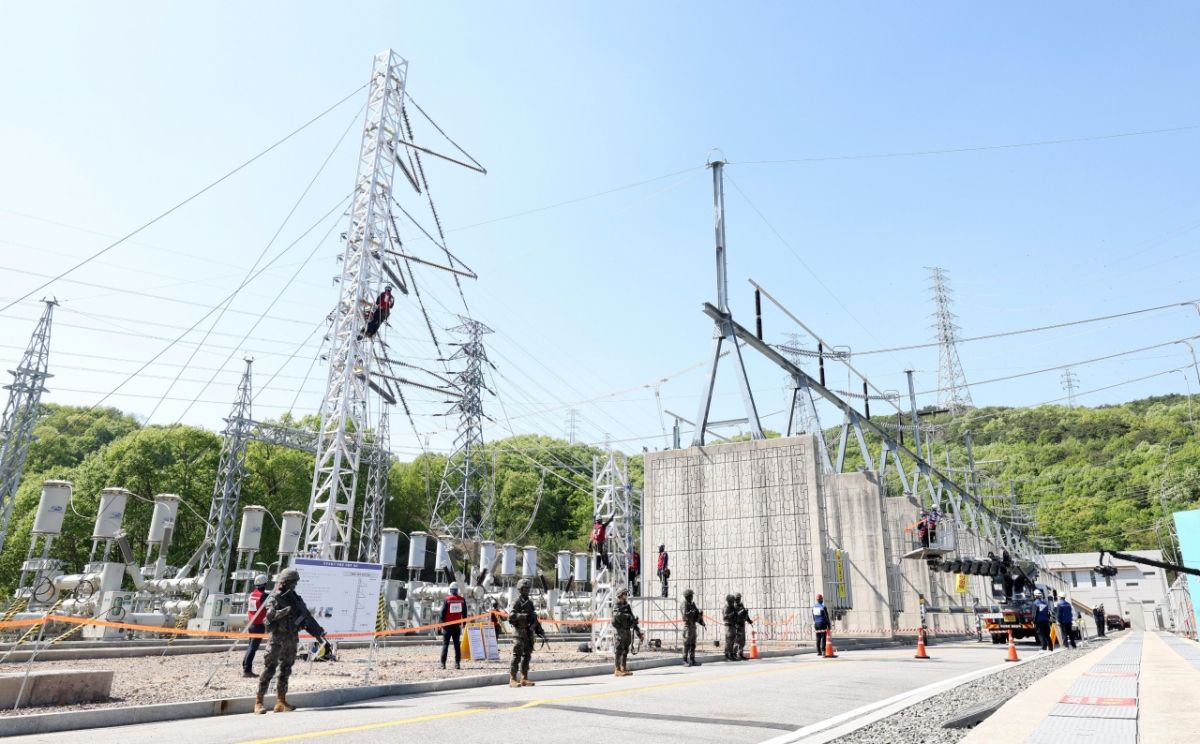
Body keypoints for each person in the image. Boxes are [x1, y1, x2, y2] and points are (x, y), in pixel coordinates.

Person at [256, 567, 305, 714]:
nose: (294, 585)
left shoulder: (297, 599)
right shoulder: (275, 598)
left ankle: (281, 702)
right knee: (269, 669)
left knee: (286, 670)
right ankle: (259, 702)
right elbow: (269, 617)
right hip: (277, 638)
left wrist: (302, 620)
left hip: (291, 638)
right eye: (291, 582)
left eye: (295, 582)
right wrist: (286, 611)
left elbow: (302, 618)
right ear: (284, 582)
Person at [509, 579, 543, 688]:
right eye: (525, 588)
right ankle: (513, 679)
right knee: (516, 656)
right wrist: (523, 616)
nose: (527, 590)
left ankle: (524, 678)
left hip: (528, 632)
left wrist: (538, 628)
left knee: (527, 656)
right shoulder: (516, 602)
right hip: (519, 632)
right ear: (520, 589)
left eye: (528, 588)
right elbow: (511, 617)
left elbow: (533, 616)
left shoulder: (529, 602)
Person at [612, 588, 644, 676]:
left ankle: (623, 668)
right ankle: (617, 669)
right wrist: (627, 616)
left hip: (626, 630)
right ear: (620, 595)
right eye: (624, 594)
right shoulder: (616, 605)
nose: (626, 595)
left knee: (625, 650)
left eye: (626, 594)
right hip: (619, 631)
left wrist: (638, 632)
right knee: (618, 650)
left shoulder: (627, 605)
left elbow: (632, 618)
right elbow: (617, 615)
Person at [243, 574, 269, 677]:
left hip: (251, 624)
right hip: (258, 625)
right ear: (265, 585)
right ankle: (247, 670)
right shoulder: (264, 596)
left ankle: (245, 666)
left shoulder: (252, 595)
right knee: (253, 648)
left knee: (250, 646)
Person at [440, 582, 466, 670]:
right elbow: (464, 613)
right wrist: (464, 623)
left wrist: (442, 622)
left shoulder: (447, 599)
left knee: (445, 644)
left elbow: (443, 612)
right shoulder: (462, 600)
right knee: (457, 645)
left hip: (447, 626)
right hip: (457, 626)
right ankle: (457, 664)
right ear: (457, 590)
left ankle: (443, 664)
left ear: (450, 590)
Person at [680, 588, 705, 667]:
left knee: (693, 644)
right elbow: (686, 614)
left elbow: (696, 613)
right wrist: (692, 612)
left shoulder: (692, 604)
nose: (692, 597)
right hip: (687, 626)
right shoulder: (684, 604)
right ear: (687, 596)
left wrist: (700, 617)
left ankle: (692, 659)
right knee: (686, 644)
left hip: (693, 626)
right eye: (691, 596)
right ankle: (684, 660)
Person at [734, 593, 753, 660]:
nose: (739, 599)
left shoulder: (741, 605)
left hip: (742, 625)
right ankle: (734, 654)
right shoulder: (734, 606)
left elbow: (745, 614)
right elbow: (735, 615)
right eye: (737, 598)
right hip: (737, 625)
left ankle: (740, 654)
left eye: (739, 598)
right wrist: (742, 611)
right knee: (737, 641)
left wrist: (749, 620)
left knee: (742, 641)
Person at [723, 594, 740, 661]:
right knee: (728, 641)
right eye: (732, 601)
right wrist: (732, 614)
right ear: (729, 601)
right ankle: (727, 655)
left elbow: (736, 615)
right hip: (728, 626)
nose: (733, 602)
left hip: (733, 626)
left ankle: (731, 654)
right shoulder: (726, 607)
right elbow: (725, 618)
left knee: (732, 641)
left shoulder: (732, 607)